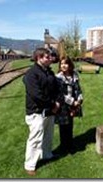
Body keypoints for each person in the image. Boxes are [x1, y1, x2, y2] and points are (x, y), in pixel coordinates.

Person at [23, 47, 61, 176]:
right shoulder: (31, 74)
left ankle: (47, 155)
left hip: (49, 111)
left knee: (48, 135)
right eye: (47, 57)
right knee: (35, 138)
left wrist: (57, 102)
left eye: (50, 56)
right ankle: (30, 165)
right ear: (39, 58)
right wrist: (52, 104)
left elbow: (56, 89)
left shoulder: (49, 72)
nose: (51, 58)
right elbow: (37, 95)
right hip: (36, 111)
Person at [55, 56, 83, 155]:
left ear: (70, 65)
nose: (64, 66)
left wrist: (79, 99)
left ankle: (70, 145)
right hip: (63, 105)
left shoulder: (74, 75)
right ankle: (64, 147)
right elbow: (59, 94)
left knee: (70, 125)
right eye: (62, 64)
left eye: (66, 63)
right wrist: (72, 101)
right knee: (63, 126)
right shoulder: (58, 77)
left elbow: (78, 89)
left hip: (73, 105)